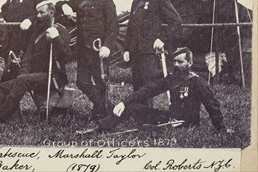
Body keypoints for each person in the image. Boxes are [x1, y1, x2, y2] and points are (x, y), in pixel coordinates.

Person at [88, 47, 231, 133]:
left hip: (185, 124)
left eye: (180, 62)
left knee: (146, 129)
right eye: (174, 62)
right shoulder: (172, 78)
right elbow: (148, 90)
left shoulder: (198, 82)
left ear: (190, 63)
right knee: (132, 106)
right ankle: (101, 127)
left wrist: (222, 128)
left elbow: (212, 106)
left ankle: (150, 128)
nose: (176, 65)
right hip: (169, 118)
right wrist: (124, 102)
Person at [0, 1, 71, 129]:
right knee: (5, 86)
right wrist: (22, 75)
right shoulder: (37, 32)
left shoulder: (60, 30)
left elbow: (66, 57)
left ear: (51, 12)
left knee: (23, 80)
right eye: (37, 13)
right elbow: (28, 58)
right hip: (36, 77)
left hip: (54, 77)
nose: (38, 16)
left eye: (42, 13)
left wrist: (56, 38)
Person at [58, 0, 119, 120]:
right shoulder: (80, 1)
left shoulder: (107, 2)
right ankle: (104, 108)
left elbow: (113, 27)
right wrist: (65, 6)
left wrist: (107, 46)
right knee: (82, 82)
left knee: (101, 83)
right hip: (83, 50)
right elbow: (59, 4)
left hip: (99, 50)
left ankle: (101, 113)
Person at [123, 0, 182, 106]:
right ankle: (139, 113)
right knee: (137, 83)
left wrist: (162, 39)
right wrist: (126, 48)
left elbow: (176, 21)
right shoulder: (135, 2)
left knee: (147, 86)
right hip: (135, 51)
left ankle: (147, 119)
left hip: (149, 51)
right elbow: (131, 28)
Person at [0, 0, 48, 83]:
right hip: (10, 39)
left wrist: (30, 20)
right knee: (9, 73)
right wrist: (12, 21)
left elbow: (46, 14)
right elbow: (4, 10)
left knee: (13, 76)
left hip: (26, 40)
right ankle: (12, 100)